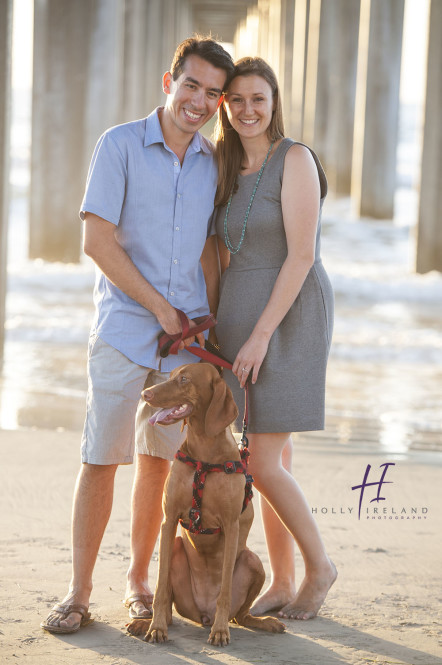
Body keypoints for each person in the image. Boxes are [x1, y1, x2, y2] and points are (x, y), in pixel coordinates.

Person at [41, 37, 234, 634]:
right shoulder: (120, 145)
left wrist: (212, 323)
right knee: (103, 458)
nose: (199, 102)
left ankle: (138, 584)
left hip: (185, 349)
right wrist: (160, 308)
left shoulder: (214, 162)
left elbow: (210, 250)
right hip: (125, 331)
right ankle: (77, 593)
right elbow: (96, 241)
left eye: (212, 93)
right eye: (191, 86)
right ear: (168, 81)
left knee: (159, 466)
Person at [213, 56, 337, 620]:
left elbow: (303, 254)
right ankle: (282, 581)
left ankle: (319, 569)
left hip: (286, 316)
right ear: (224, 105)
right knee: (273, 451)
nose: (246, 109)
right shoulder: (225, 164)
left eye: (257, 98)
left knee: (261, 461)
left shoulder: (296, 159)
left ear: (274, 101)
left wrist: (261, 335)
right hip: (237, 316)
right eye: (235, 99)